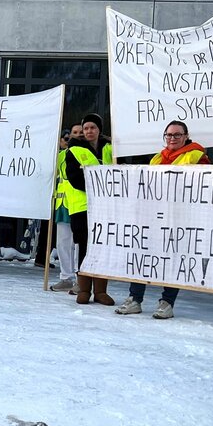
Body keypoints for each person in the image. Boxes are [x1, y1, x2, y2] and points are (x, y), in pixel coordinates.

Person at [116, 121, 210, 319]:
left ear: (186, 136)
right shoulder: (158, 158)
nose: (172, 138)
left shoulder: (197, 156)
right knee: (142, 253)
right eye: (169, 135)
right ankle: (135, 299)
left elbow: (204, 185)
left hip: (180, 217)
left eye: (177, 135)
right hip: (153, 216)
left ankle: (167, 302)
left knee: (173, 257)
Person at [65, 113, 115, 305]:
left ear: (99, 129)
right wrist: (99, 188)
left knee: (103, 247)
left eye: (92, 127)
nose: (89, 131)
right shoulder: (74, 151)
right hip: (83, 207)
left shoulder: (111, 148)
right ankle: (84, 289)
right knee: (85, 247)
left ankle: (101, 291)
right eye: (86, 128)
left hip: (106, 207)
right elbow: (74, 177)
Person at [49, 128, 78, 292]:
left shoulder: (85, 152)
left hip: (79, 204)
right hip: (62, 204)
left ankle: (80, 279)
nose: (69, 139)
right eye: (67, 136)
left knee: (78, 245)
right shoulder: (60, 156)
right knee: (62, 243)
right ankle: (66, 276)